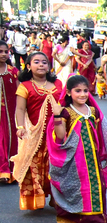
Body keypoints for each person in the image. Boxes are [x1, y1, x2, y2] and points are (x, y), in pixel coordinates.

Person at [46, 74, 107, 223]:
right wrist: (57, 116)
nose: (82, 94)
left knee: (97, 189)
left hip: (93, 160)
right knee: (77, 191)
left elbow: (100, 135)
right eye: (77, 91)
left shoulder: (92, 111)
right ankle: (75, 222)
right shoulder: (66, 112)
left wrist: (104, 156)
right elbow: (60, 137)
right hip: (75, 162)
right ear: (68, 93)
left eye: (85, 90)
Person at [12, 52, 63, 210]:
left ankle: (57, 199)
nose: (41, 65)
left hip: (57, 132)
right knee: (34, 165)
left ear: (49, 66)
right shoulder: (25, 86)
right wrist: (20, 128)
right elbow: (20, 109)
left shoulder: (58, 84)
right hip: (35, 134)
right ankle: (36, 199)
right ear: (28, 66)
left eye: (44, 62)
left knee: (56, 166)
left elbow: (65, 105)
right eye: (36, 62)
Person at [0, 42, 17, 184]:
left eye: (6, 51)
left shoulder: (13, 72)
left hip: (9, 113)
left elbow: (20, 92)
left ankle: (9, 171)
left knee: (9, 139)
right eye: (0, 51)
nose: (4, 54)